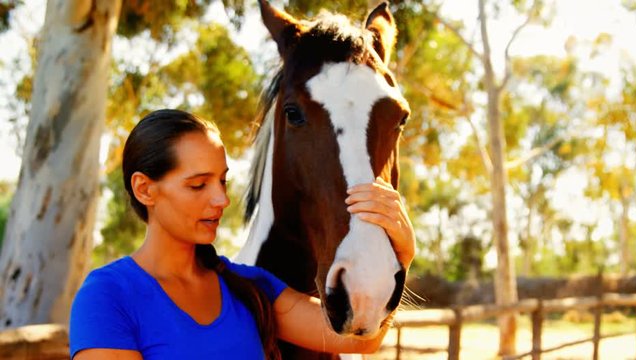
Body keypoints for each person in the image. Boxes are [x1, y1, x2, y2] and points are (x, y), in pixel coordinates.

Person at [69, 109, 415, 360]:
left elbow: (360, 339)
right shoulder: (107, 296)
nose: (221, 199)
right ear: (145, 190)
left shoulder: (250, 288)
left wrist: (400, 257)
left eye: (222, 181)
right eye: (198, 185)